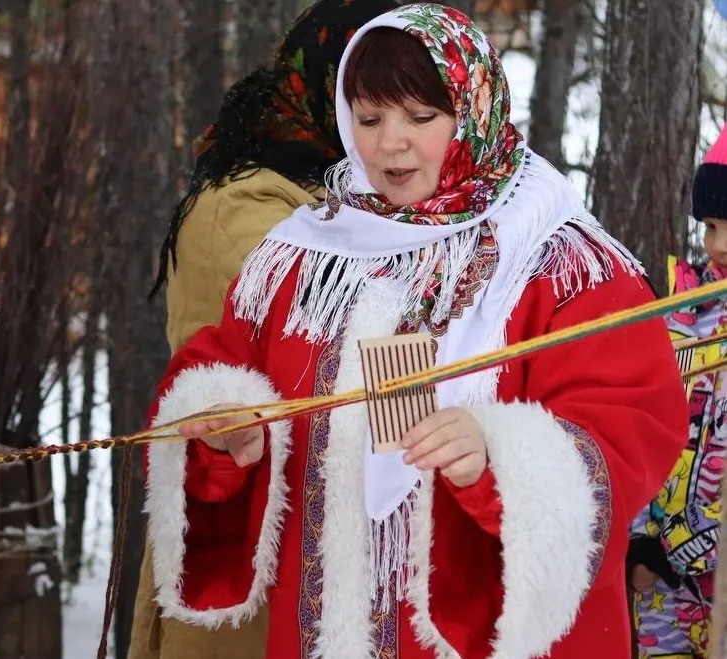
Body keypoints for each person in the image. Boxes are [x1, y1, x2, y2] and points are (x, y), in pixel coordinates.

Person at [143, 4, 688, 658]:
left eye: (421, 117)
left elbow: (632, 420)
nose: (388, 143)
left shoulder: (557, 261)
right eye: (368, 119)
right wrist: (223, 426)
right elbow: (221, 366)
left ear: (473, 111)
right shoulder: (301, 256)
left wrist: (499, 456)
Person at [133, 1, 399, 657]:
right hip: (244, 552)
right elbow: (331, 339)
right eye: (376, 106)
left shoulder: (337, 195)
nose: (396, 136)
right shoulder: (249, 204)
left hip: (310, 548)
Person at [627, 130, 727, 658]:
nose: (719, 245)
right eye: (711, 226)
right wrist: (640, 540)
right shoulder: (681, 316)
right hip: (664, 578)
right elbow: (644, 422)